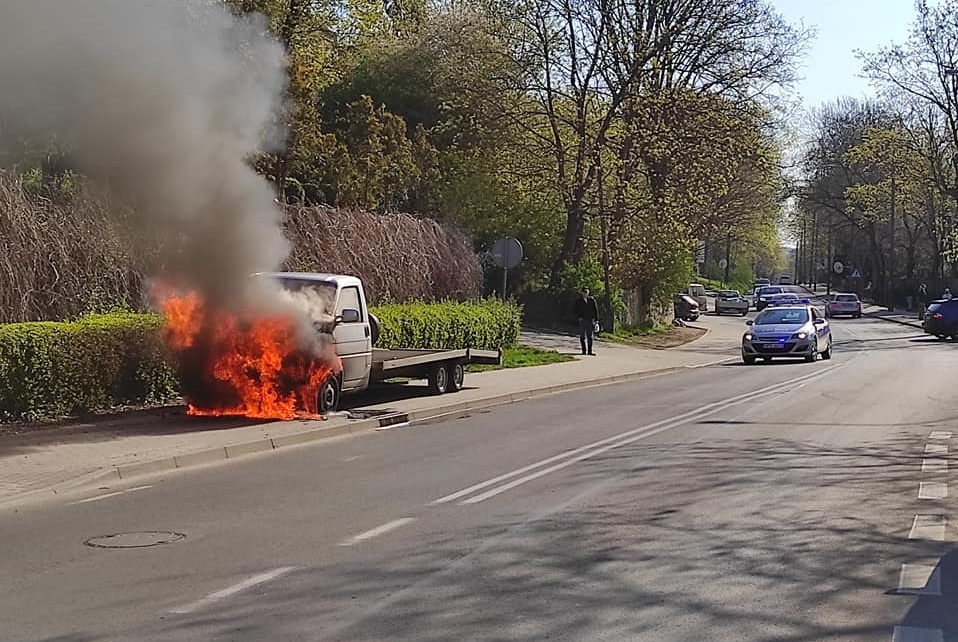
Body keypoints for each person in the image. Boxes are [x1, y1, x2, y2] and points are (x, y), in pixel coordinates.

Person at [573, 286, 599, 356]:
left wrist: (596, 320)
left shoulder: (592, 300)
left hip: (590, 320)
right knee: (582, 336)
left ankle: (589, 351)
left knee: (590, 336)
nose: (585, 293)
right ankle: (583, 350)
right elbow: (575, 310)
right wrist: (579, 317)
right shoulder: (579, 301)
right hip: (582, 320)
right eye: (584, 292)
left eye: (586, 292)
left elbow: (595, 310)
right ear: (582, 293)